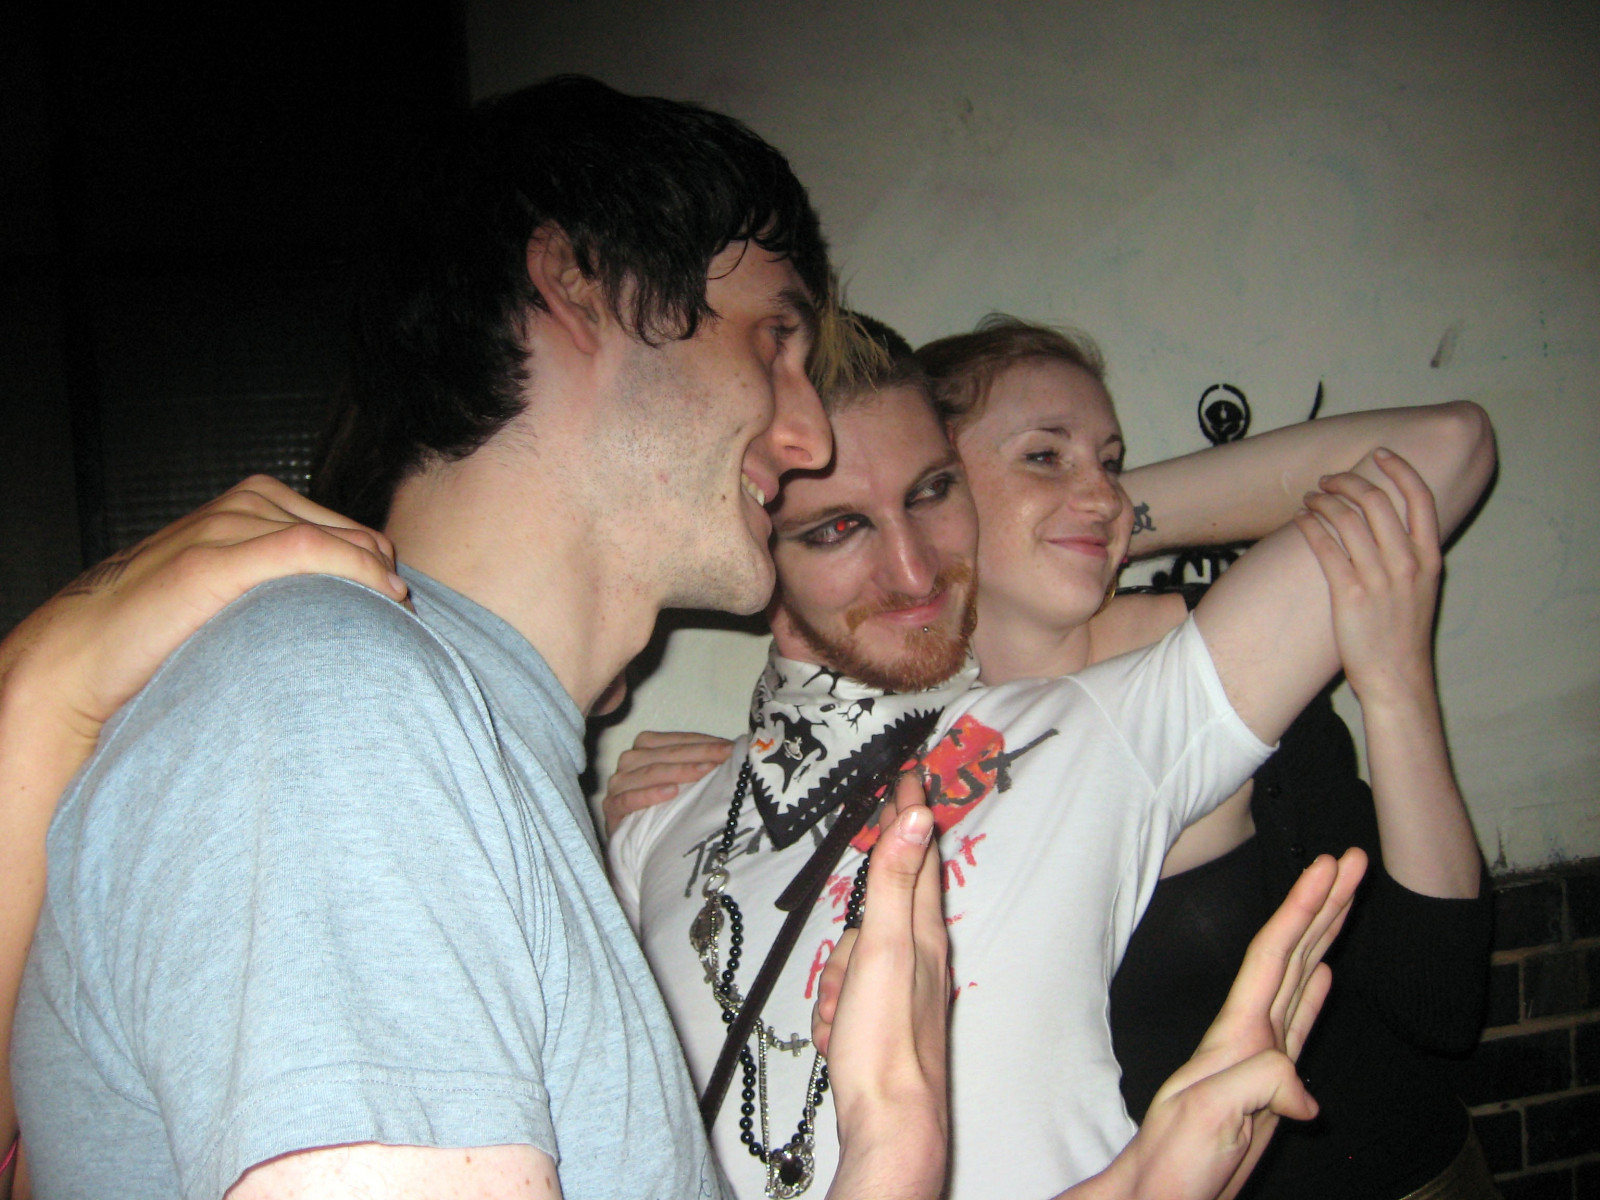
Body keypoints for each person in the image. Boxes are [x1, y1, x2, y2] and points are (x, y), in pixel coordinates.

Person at [0, 81, 1365, 1200]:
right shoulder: (343, 712)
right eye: (772, 339)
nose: (805, 429)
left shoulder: (478, 758)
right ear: (579, 285)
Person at [601, 317, 1495, 1199]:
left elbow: (1444, 448)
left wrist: (1105, 517)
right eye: (1043, 456)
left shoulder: (1166, 685)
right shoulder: (828, 774)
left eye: (929, 491)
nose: (911, 567)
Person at [921, 319, 1496, 1200]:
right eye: (1043, 454)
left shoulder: (1219, 659)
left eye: (1110, 461)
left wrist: (1109, 517)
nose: (1100, 489)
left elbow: (1438, 1002)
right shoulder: (910, 736)